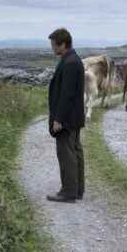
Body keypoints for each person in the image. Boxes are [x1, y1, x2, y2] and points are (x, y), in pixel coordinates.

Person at [47, 28, 85, 203]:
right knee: (75, 152)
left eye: (54, 45)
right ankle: (77, 189)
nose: (52, 48)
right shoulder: (73, 59)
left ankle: (68, 192)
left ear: (63, 44)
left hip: (67, 119)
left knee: (66, 154)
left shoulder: (69, 63)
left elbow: (67, 95)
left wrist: (58, 119)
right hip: (74, 118)